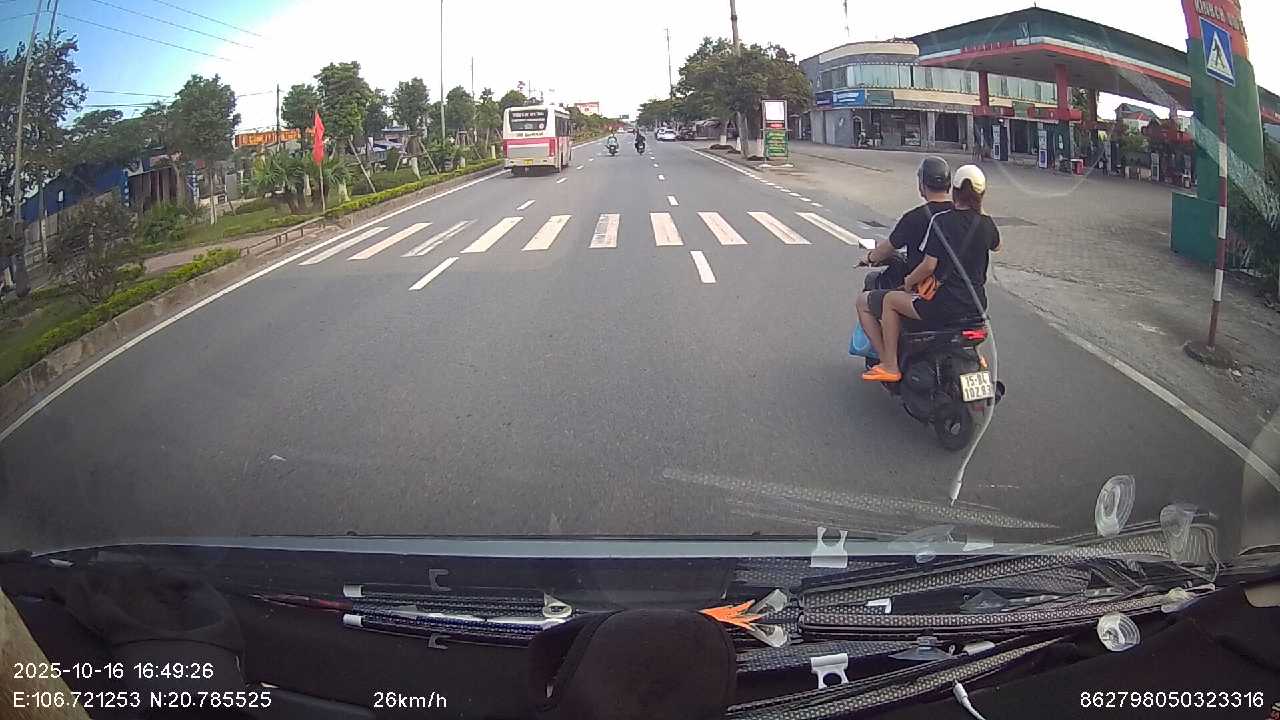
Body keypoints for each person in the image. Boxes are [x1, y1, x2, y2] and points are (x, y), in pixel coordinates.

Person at [857, 165, 1001, 383]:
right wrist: (979, 208)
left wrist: (908, 282)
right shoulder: (986, 223)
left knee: (889, 301)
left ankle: (890, 364)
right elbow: (997, 246)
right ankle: (974, 357)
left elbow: (928, 266)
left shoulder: (941, 221)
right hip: (977, 306)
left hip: (943, 304)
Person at [857, 156, 953, 295]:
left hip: (921, 287)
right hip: (954, 287)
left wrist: (869, 258)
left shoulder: (914, 218)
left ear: (922, 184)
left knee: (868, 290)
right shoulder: (959, 215)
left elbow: (888, 247)